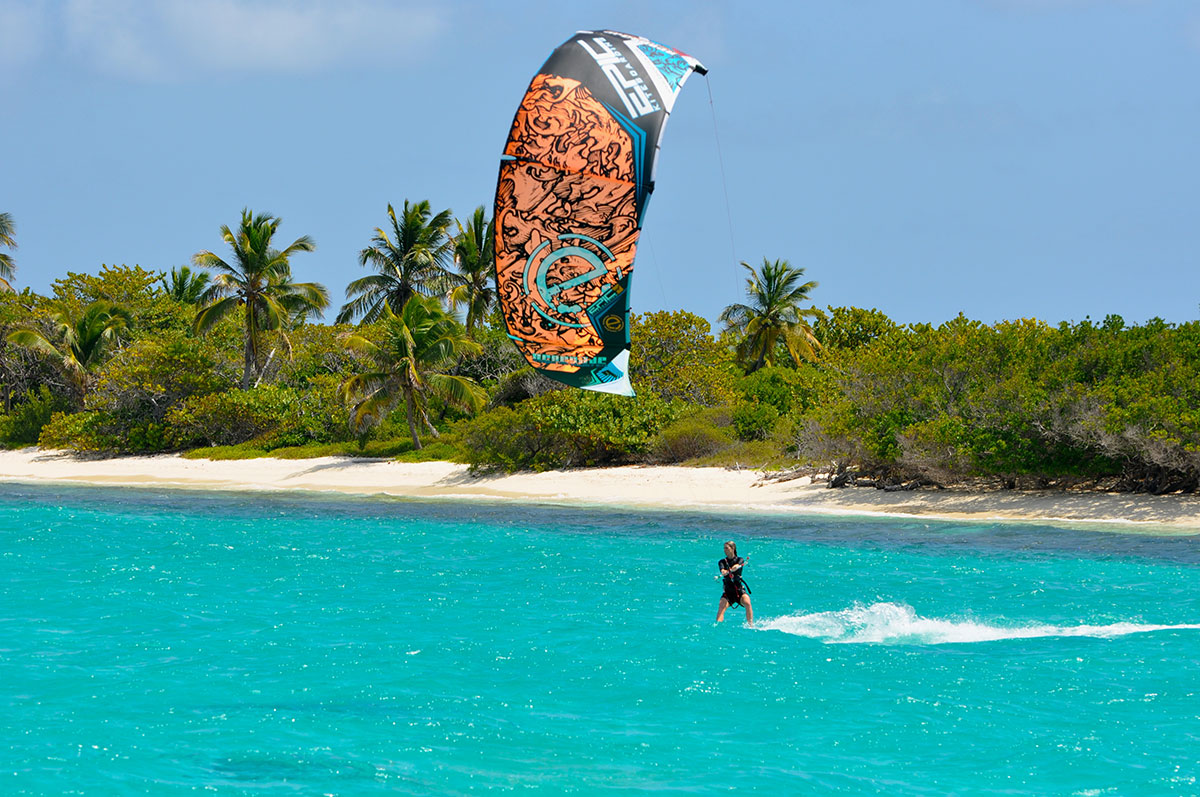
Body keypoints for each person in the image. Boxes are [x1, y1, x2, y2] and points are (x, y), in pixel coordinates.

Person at [716, 540, 753, 625]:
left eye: (726, 548)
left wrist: (734, 568)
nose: (724, 550)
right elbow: (722, 570)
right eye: (724, 548)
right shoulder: (722, 562)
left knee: (747, 602)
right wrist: (724, 571)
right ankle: (717, 626)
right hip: (728, 591)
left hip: (738, 590)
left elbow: (737, 565)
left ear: (733, 548)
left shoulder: (740, 559)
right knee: (721, 605)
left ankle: (751, 625)